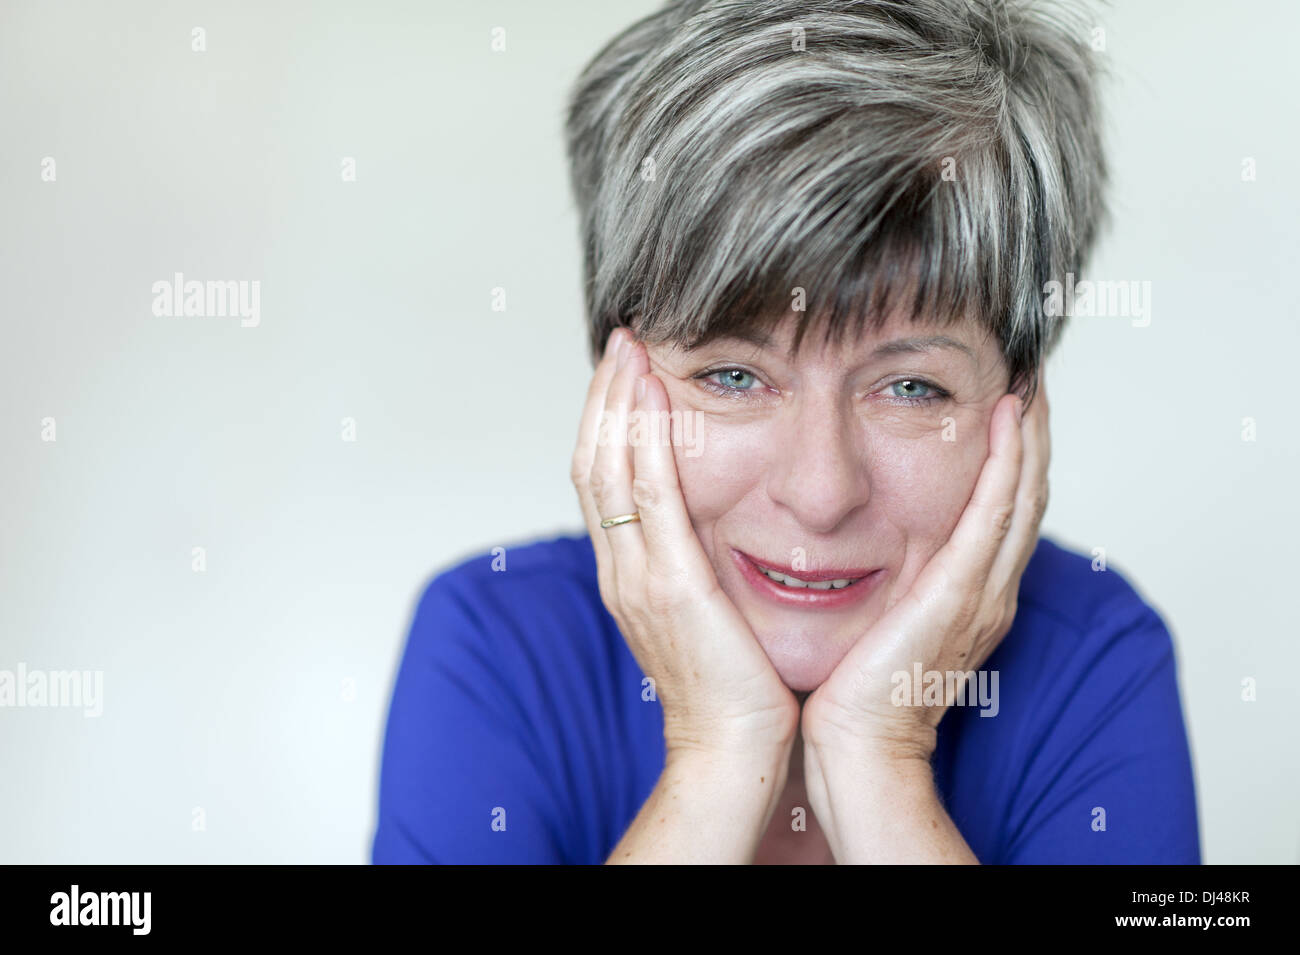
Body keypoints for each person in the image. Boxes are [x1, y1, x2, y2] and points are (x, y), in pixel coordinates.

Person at [372, 0, 1199, 864]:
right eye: (733, 376)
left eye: (912, 388)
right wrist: (716, 751)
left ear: (1019, 407)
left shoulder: (1096, 657)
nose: (821, 492)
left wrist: (880, 757)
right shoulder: (496, 642)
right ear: (613, 384)